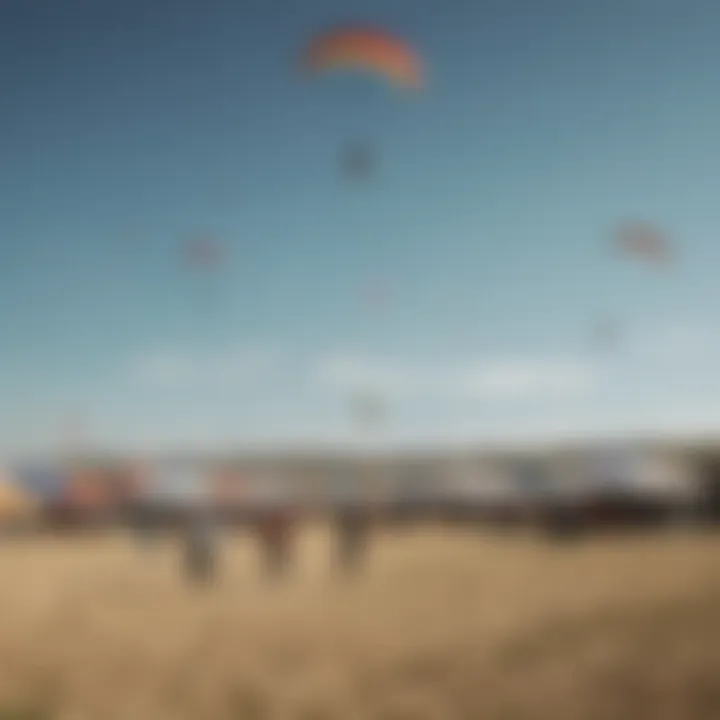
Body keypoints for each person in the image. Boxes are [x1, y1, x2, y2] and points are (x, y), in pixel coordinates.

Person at [184, 505, 217, 584]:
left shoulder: (205, 524)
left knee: (203, 559)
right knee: (197, 559)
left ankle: (202, 575)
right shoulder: (195, 524)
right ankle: (198, 575)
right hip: (197, 543)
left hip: (201, 543)